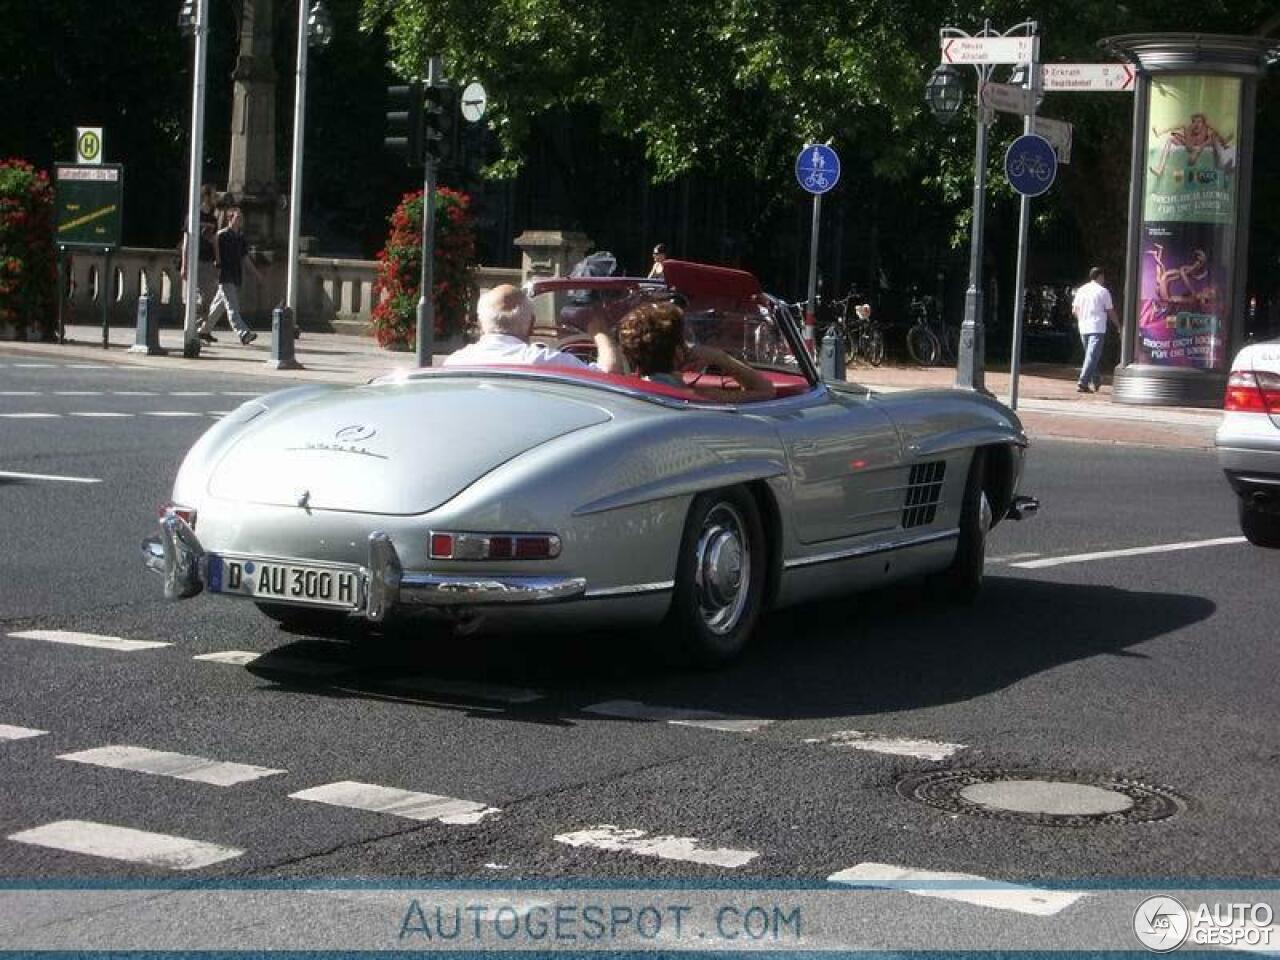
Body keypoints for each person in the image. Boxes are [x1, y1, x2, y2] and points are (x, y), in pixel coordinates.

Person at [617, 301, 776, 402]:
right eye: (685, 338)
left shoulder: (624, 392)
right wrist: (719, 357)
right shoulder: (699, 397)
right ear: (678, 352)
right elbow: (766, 391)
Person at [444, 284, 621, 373]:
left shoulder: (455, 363)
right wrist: (599, 331)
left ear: (481, 323)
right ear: (531, 324)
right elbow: (609, 373)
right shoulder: (542, 362)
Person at [206, 206, 261, 345]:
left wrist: (256, 273)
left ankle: (203, 330)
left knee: (218, 306)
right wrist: (216, 268)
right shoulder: (222, 235)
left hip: (236, 275)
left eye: (241, 217)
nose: (240, 220)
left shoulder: (240, 237)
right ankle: (243, 333)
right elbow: (215, 253)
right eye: (237, 217)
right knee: (232, 306)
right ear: (230, 219)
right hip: (225, 274)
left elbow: (245, 258)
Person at [178, 184, 220, 343]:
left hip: (209, 260)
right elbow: (186, 241)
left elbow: (215, 240)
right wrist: (184, 263)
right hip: (196, 260)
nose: (215, 199)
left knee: (208, 297)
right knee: (198, 298)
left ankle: (202, 329)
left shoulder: (213, 219)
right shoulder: (194, 216)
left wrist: (218, 259)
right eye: (213, 195)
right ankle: (193, 329)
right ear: (206, 197)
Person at [1071, 267, 1119, 393]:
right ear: (1100, 276)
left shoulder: (1081, 290)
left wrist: (1081, 320)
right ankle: (1083, 382)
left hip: (1083, 326)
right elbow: (1110, 311)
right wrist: (1118, 325)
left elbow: (1074, 310)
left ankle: (1096, 379)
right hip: (1097, 327)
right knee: (1092, 355)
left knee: (1090, 355)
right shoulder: (1103, 291)